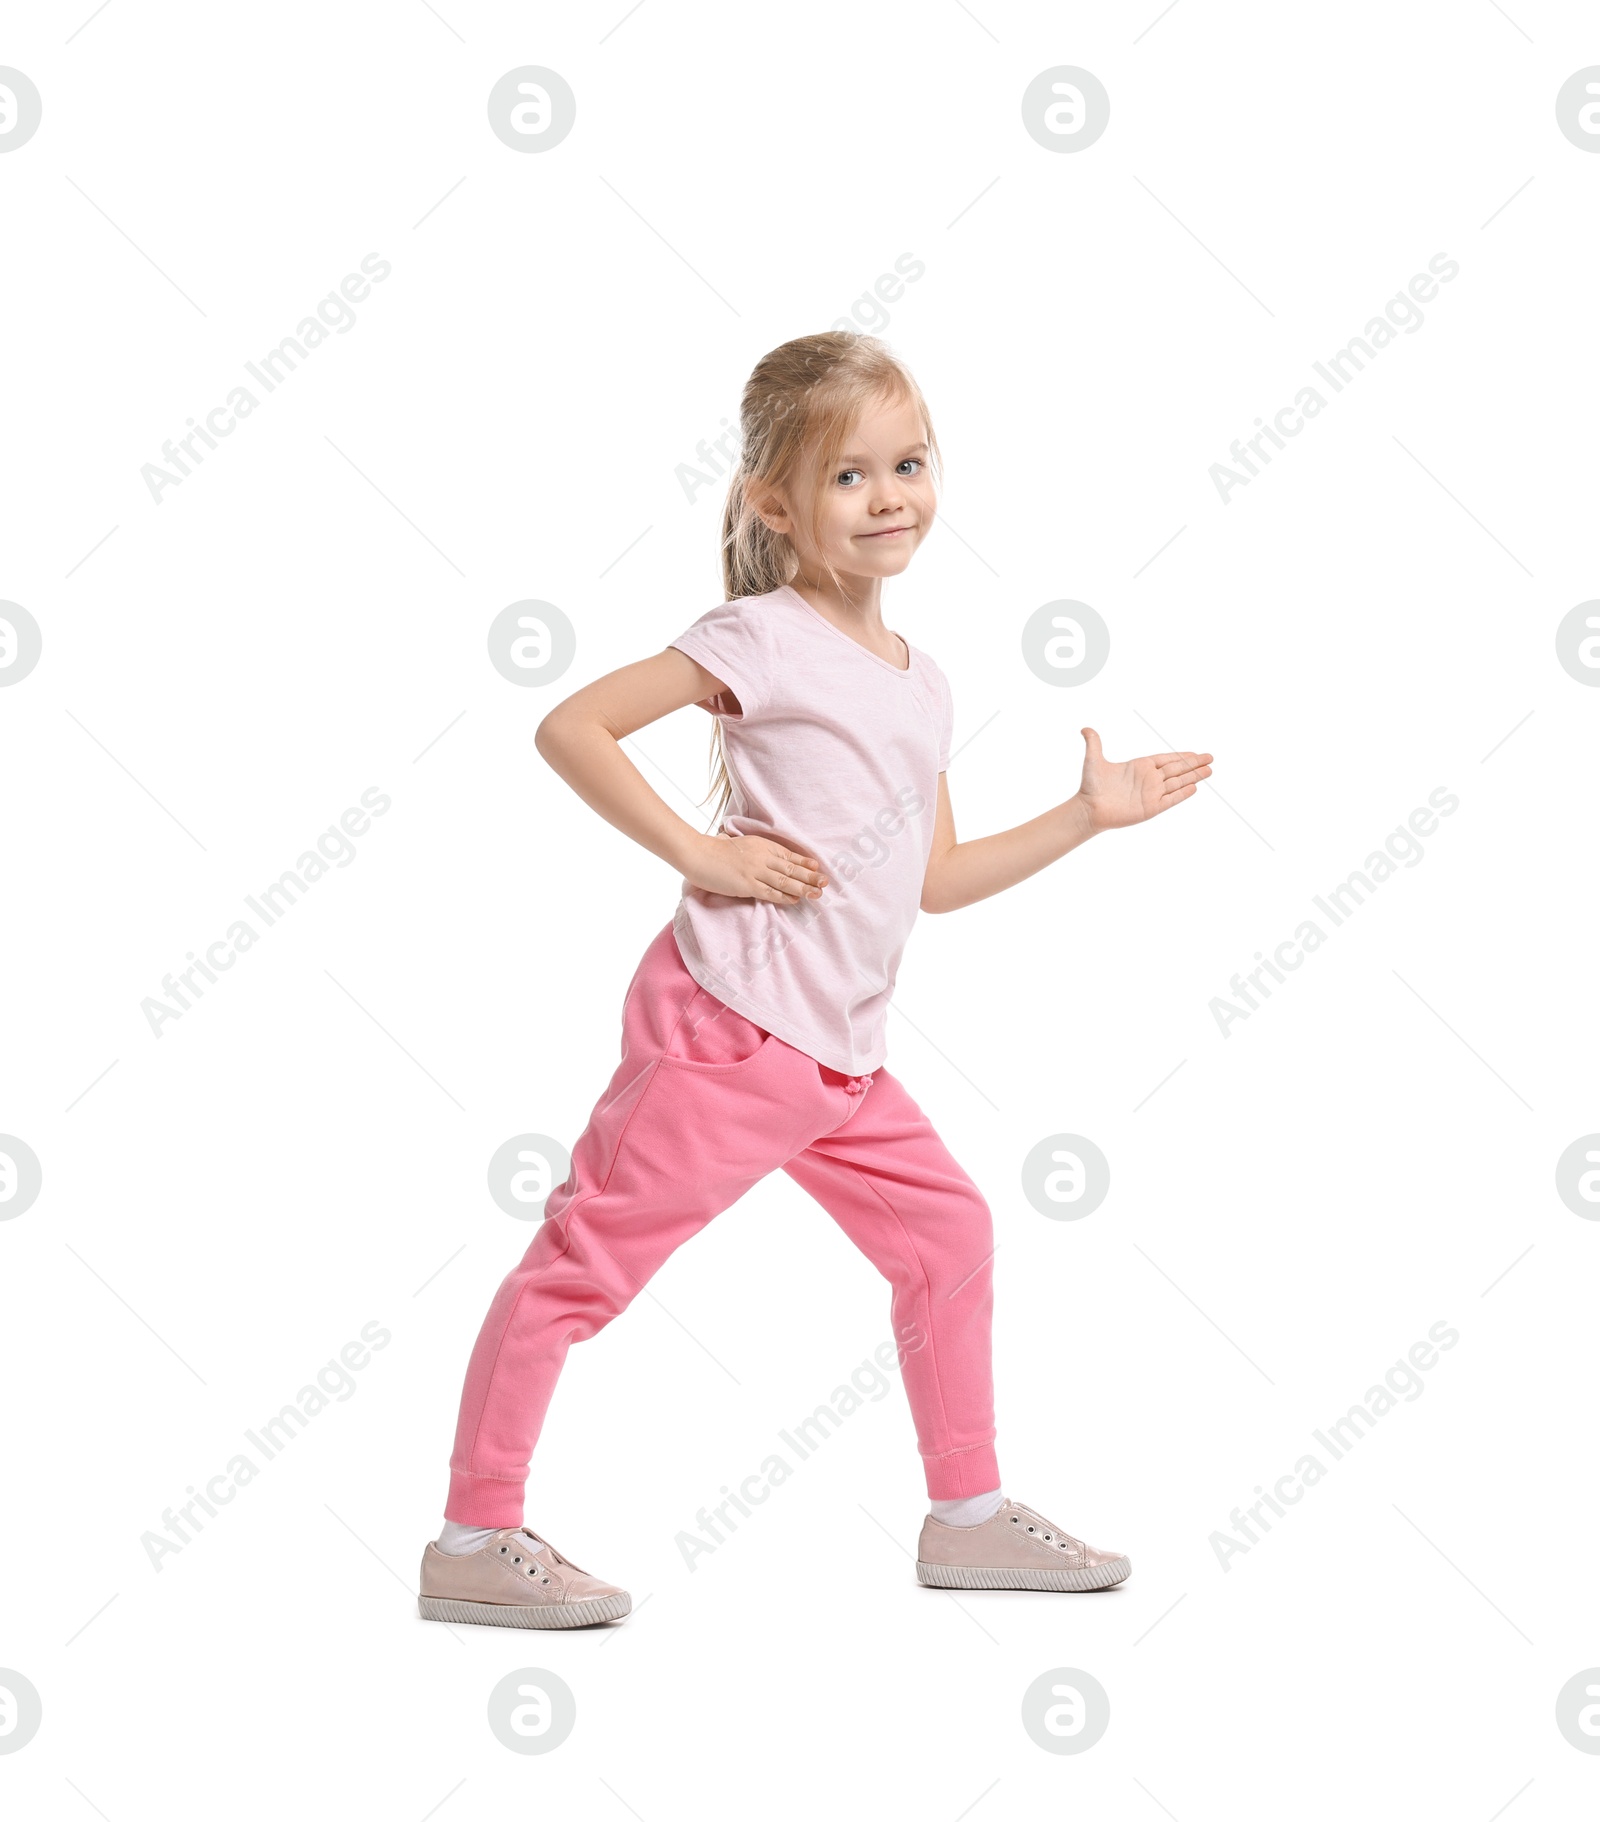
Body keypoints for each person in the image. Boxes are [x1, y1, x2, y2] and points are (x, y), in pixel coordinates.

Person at [417, 331, 1213, 1628]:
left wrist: (1084, 815)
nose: (890, 494)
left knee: (950, 1232)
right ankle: (473, 1534)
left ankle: (965, 1520)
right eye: (850, 476)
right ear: (775, 505)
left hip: (840, 1061)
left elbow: (936, 877)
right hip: (730, 1034)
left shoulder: (926, 680)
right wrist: (699, 849)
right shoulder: (759, 636)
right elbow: (573, 725)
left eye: (907, 462)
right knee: (579, 1271)